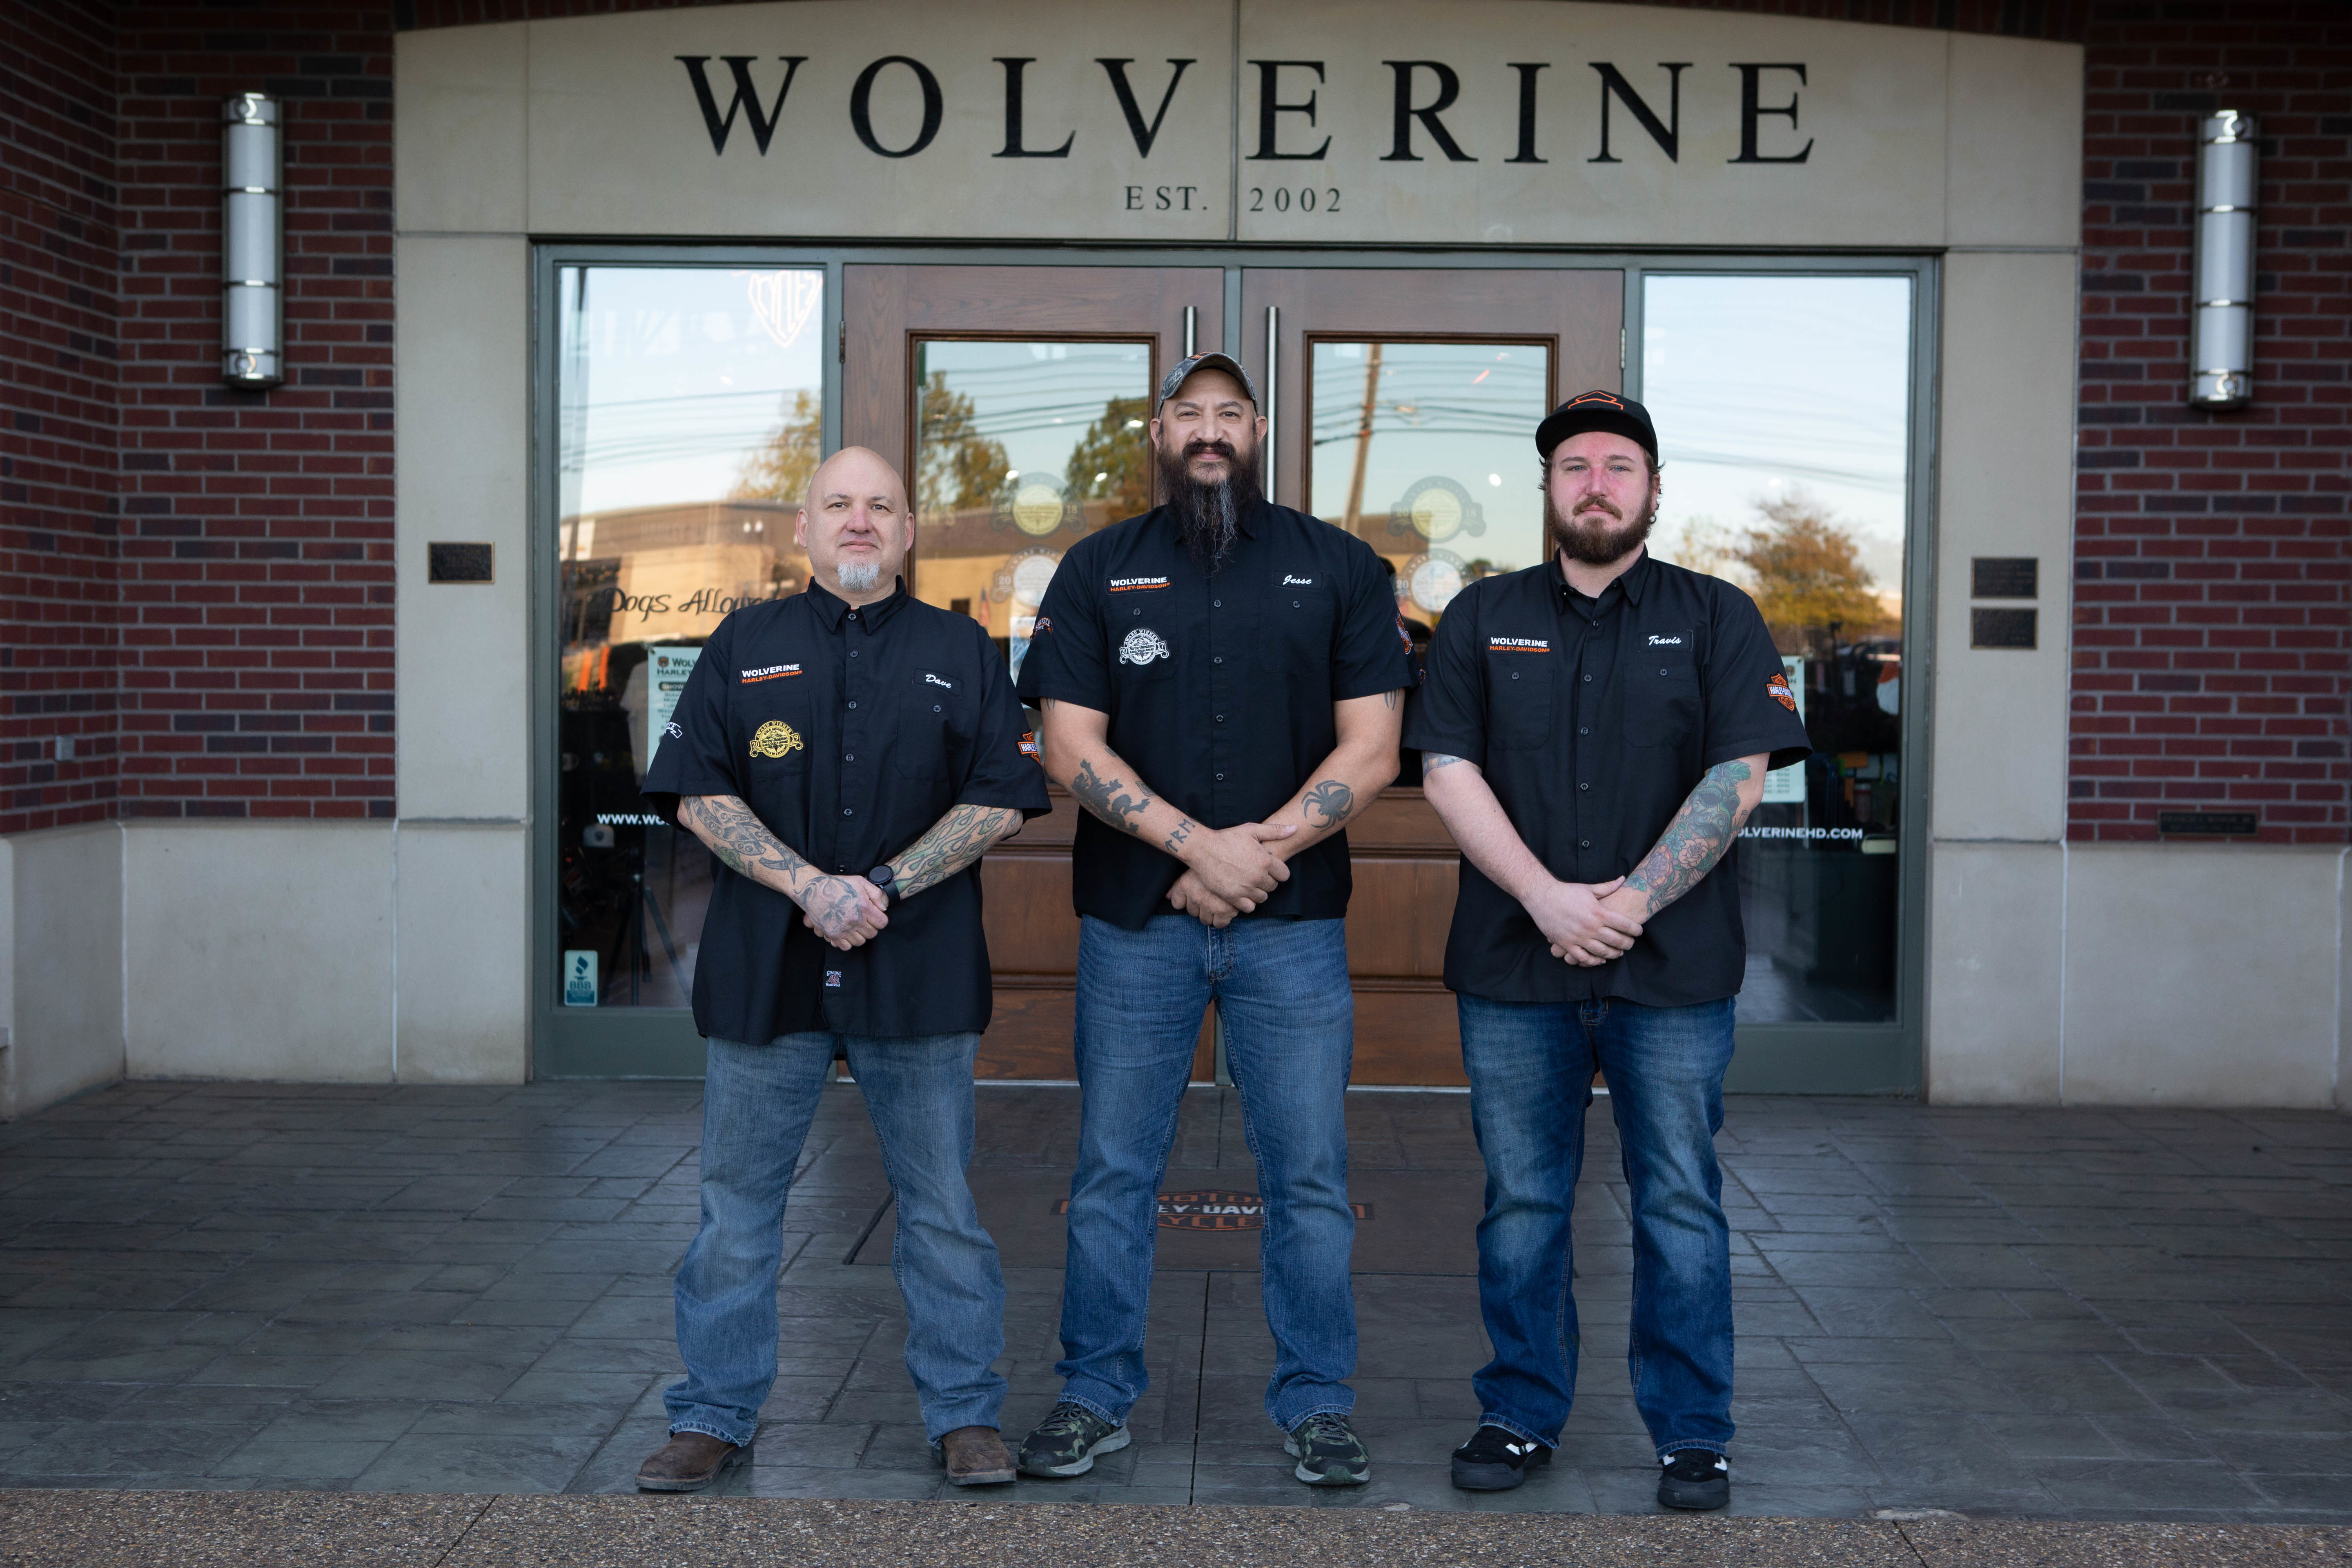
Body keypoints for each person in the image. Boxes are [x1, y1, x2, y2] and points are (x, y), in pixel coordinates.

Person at [1011, 353, 1414, 1486]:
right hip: (1139, 926)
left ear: (1261, 428)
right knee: (1112, 1174)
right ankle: (1093, 1394)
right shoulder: (1098, 570)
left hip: (1293, 929)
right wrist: (1199, 850)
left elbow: (1373, 750)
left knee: (1309, 1178)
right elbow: (1067, 745)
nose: (1208, 431)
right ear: (1157, 432)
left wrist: (1253, 857)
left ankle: (1319, 1404)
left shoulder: (1341, 568)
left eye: (1227, 413)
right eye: (1188, 413)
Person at [1402, 391, 1810, 1510]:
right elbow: (1447, 769)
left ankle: (1693, 1433)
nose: (1595, 481)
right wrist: (1548, 901)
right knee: (1524, 1199)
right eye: (1573, 464)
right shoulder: (1483, 618)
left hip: (1671, 972)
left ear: (1653, 488)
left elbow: (1739, 779)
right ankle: (1520, 1413)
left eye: (1618, 465)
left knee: (1677, 1198)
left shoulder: (1719, 616)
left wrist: (1626, 902)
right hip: (1512, 962)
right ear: (1547, 489)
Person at [635, 446, 1051, 1493]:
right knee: (738, 1208)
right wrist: (811, 888)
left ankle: (964, 1415)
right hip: (768, 971)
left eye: (881, 507)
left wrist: (885, 886)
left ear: (910, 532)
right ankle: (714, 1415)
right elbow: (698, 792)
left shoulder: (963, 648)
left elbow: (1002, 797)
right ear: (804, 531)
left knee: (942, 1207)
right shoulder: (744, 642)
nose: (859, 522)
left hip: (918, 977)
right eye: (838, 506)